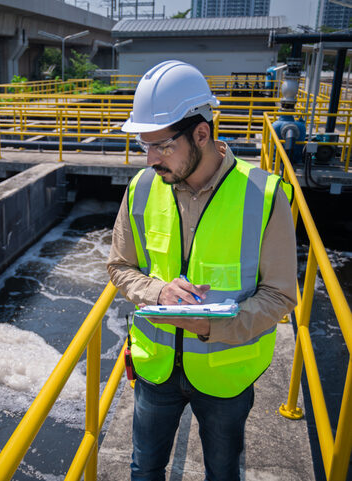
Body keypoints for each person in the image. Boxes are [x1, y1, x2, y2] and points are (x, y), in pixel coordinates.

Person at [107, 60, 298, 481]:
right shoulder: (141, 188)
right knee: (144, 470)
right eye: (145, 145)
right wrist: (157, 292)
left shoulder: (265, 195)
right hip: (155, 369)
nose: (151, 159)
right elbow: (120, 266)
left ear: (201, 133)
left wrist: (211, 327)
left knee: (223, 472)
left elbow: (281, 294)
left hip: (226, 377)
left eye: (162, 146)